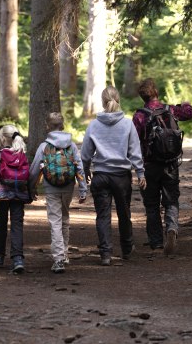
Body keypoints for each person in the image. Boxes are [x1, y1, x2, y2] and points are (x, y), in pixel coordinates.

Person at [81, 85, 146, 266]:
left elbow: (85, 154)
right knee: (124, 213)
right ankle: (127, 249)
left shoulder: (93, 125)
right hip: (121, 177)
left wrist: (85, 172)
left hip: (101, 176)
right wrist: (140, 172)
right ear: (118, 100)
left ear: (103, 102)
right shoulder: (127, 123)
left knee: (103, 215)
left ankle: (105, 254)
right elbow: (135, 151)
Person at [132, 78, 192, 255]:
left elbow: (134, 142)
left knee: (151, 205)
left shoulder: (139, 116)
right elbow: (189, 113)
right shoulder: (170, 110)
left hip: (149, 166)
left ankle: (156, 242)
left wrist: (136, 167)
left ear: (142, 97)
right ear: (156, 93)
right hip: (171, 164)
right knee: (171, 200)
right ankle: (172, 228)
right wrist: (186, 104)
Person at [29, 112, 87, 274]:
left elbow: (34, 169)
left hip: (51, 187)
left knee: (55, 220)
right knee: (65, 218)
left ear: (48, 126)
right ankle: (65, 254)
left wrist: (31, 187)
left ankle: (59, 258)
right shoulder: (72, 145)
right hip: (68, 186)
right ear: (63, 125)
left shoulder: (44, 146)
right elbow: (79, 167)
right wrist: (82, 188)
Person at [0, 124, 32, 273]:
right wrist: (29, 194)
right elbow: (28, 177)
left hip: (1, 196)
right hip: (18, 196)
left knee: (1, 226)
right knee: (17, 226)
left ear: (2, 138)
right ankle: (18, 259)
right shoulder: (22, 155)